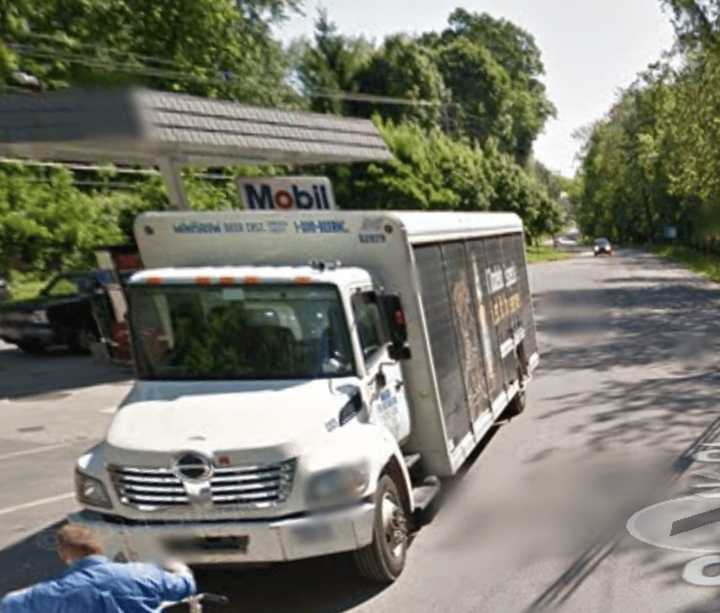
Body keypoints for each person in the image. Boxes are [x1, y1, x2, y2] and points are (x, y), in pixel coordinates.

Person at [0, 525, 196, 613]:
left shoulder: (50, 592)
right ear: (99, 547)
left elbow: (9, 605)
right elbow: (186, 586)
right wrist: (176, 564)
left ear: (63, 553)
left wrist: (23, 592)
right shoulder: (143, 573)